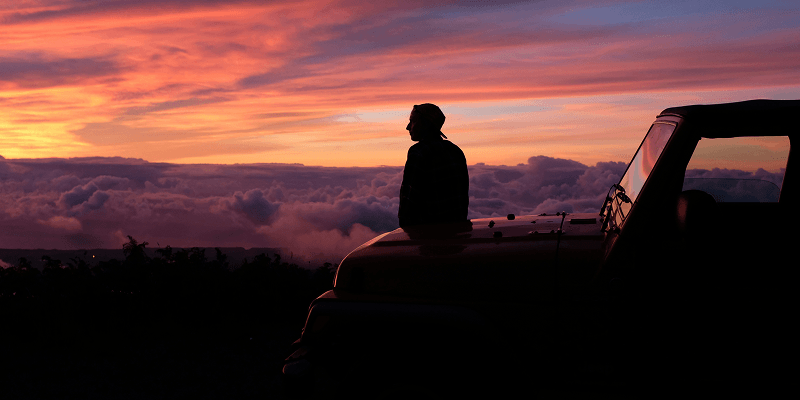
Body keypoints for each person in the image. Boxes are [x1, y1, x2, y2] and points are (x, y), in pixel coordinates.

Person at [398, 103, 469, 228]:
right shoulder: (456, 151)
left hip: (428, 234)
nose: (408, 127)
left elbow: (409, 200)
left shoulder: (419, 152)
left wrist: (405, 230)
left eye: (412, 121)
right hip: (457, 231)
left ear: (425, 124)